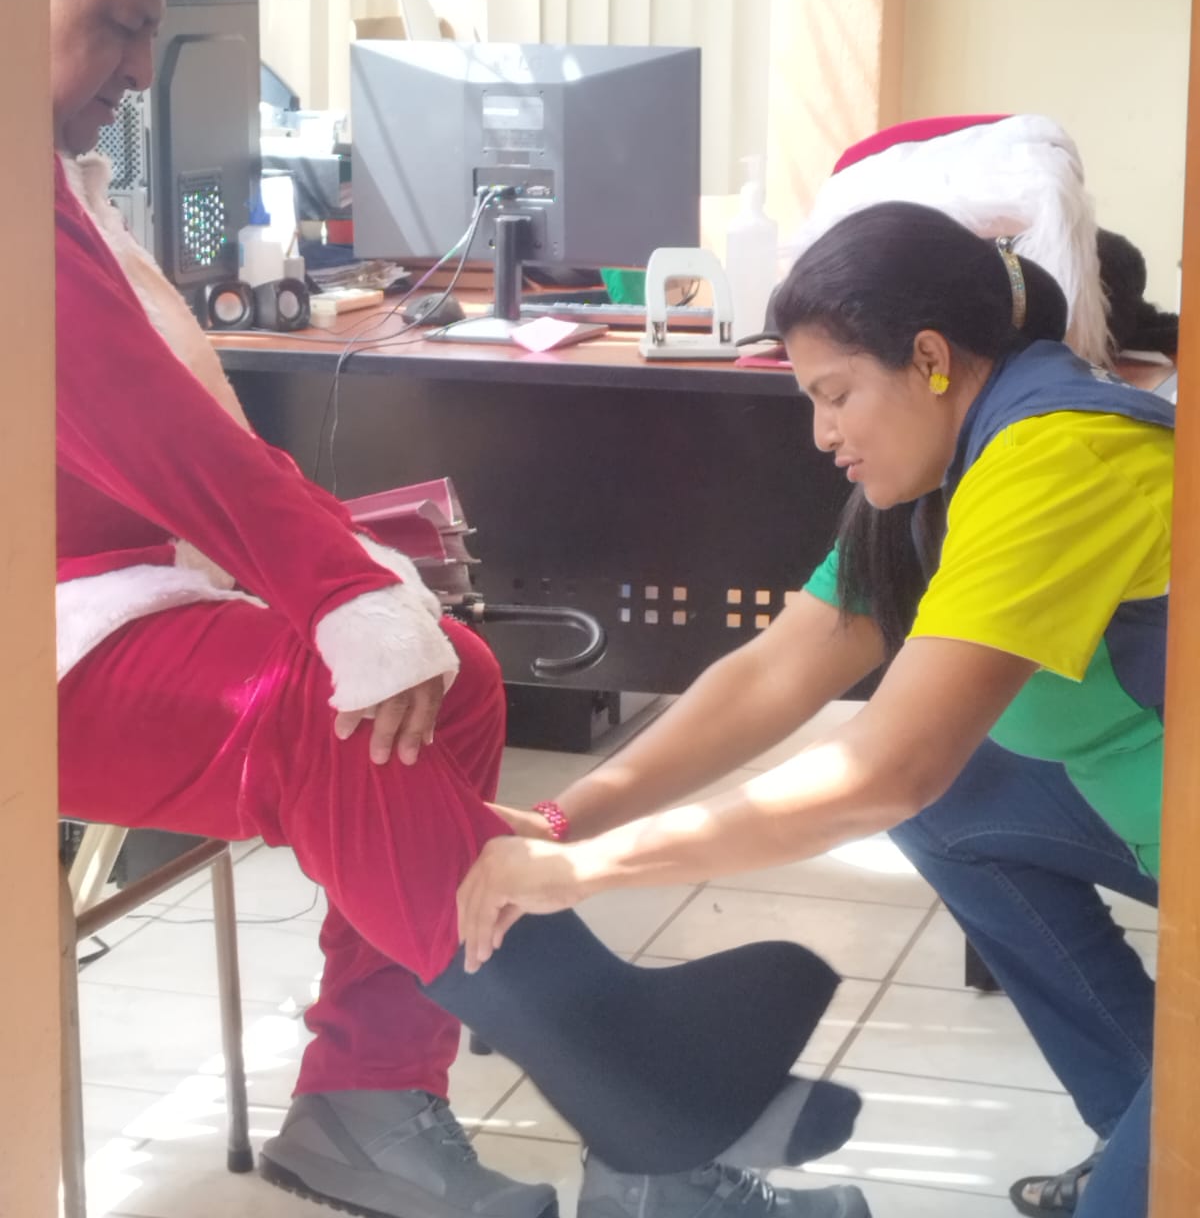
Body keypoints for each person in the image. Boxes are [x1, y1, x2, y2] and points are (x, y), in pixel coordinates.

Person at [50, 0, 870, 1218]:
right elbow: (149, 432)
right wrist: (339, 595)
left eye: (149, 33)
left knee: (455, 680)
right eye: (116, 26)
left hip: (107, 595)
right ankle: (638, 1093)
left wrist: (358, 593)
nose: (140, 71)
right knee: (337, 702)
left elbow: (174, 435)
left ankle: (371, 1096)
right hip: (54, 634)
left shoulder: (52, 182)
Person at [458, 199, 1174, 1218]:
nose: (821, 432)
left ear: (930, 357)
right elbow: (772, 672)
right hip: (1159, 823)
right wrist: (564, 818)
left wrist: (588, 869)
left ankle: (1162, 1153)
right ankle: (1142, 1108)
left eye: (835, 394)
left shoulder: (1058, 460)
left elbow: (886, 770)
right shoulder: (942, 476)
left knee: (932, 781)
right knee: (962, 801)